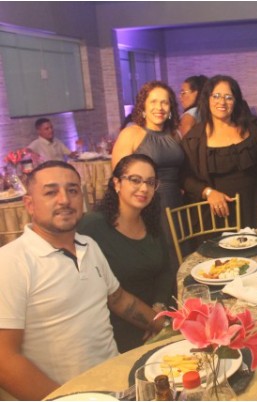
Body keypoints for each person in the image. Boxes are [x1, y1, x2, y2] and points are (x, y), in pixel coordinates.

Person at [0, 161, 166, 400]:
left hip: (118, 382)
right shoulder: (11, 262)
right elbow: (5, 360)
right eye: (51, 192)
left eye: (72, 190)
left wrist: (170, 327)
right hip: (67, 394)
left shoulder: (88, 245)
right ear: (29, 204)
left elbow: (120, 300)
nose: (64, 200)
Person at [78, 154, 173, 353]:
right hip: (117, 327)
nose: (144, 188)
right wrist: (152, 322)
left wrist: (158, 308)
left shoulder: (150, 221)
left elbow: (166, 269)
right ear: (117, 183)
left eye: (150, 182)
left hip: (157, 315)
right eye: (135, 180)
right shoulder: (92, 227)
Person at [181, 75, 257, 228]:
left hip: (253, 205)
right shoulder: (194, 139)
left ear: (236, 101)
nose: (222, 102)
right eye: (216, 96)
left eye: (228, 97)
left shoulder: (253, 128)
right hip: (217, 214)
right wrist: (208, 192)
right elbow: (185, 177)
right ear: (207, 99)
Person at [111, 81, 184, 272]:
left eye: (164, 102)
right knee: (159, 258)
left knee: (180, 255)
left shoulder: (175, 134)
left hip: (176, 203)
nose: (159, 107)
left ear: (170, 108)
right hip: (147, 205)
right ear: (143, 106)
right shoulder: (131, 133)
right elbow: (119, 178)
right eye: (153, 102)